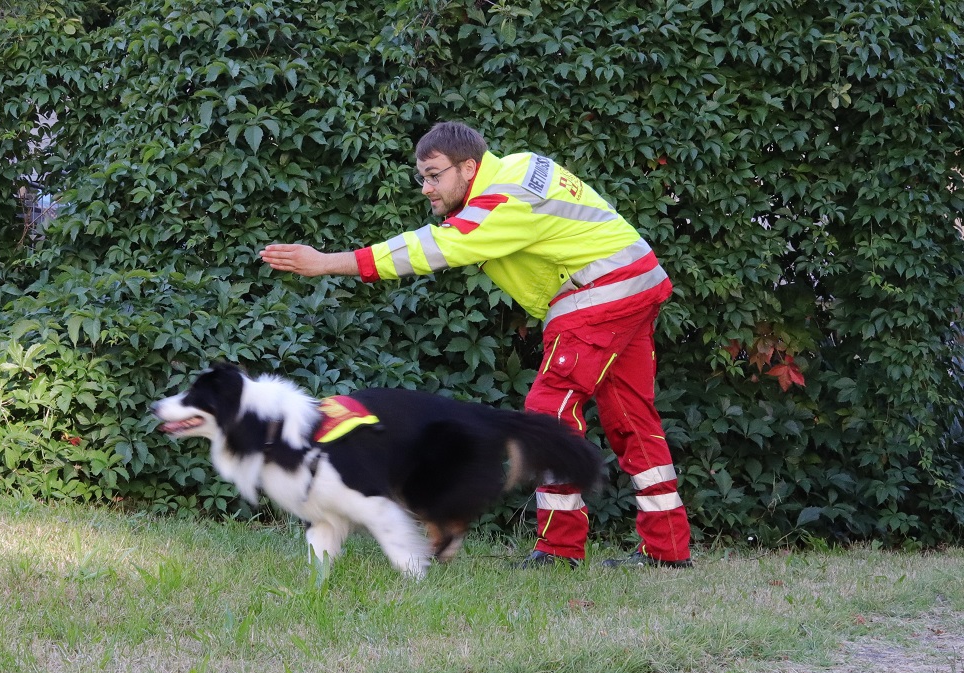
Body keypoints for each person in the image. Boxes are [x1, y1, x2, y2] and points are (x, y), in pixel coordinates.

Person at [260, 121, 692, 569]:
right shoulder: (519, 167)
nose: (426, 188)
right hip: (634, 280)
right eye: (421, 176)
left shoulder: (502, 202)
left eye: (434, 174)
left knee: (549, 411)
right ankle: (668, 550)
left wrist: (327, 262)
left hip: (601, 292)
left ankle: (560, 550)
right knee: (632, 419)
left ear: (468, 167)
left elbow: (433, 247)